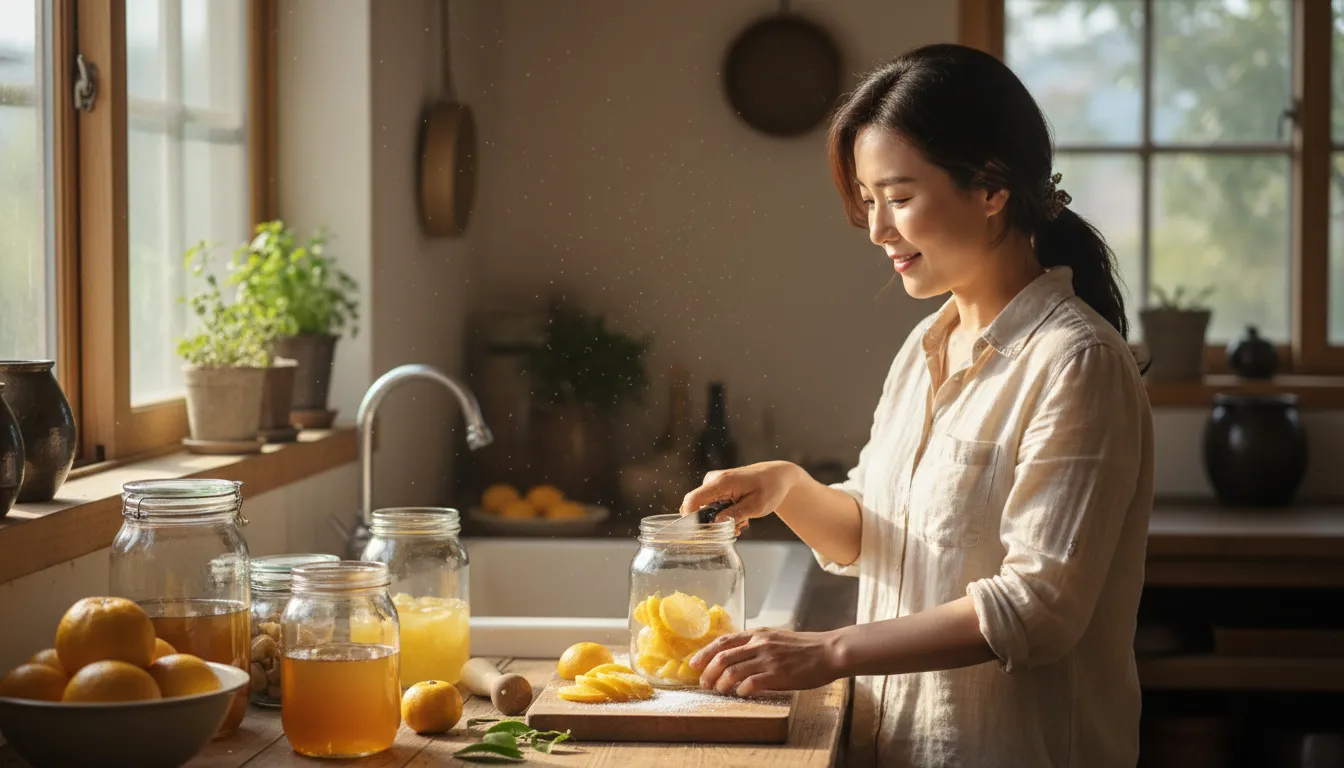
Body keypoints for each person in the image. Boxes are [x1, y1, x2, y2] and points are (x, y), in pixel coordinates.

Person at [681, 43, 1154, 768]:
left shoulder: (1075, 361)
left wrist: (830, 650)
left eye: (898, 198)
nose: (877, 230)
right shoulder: (924, 349)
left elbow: (1040, 609)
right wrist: (787, 486)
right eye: (869, 203)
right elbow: (880, 538)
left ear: (992, 188)